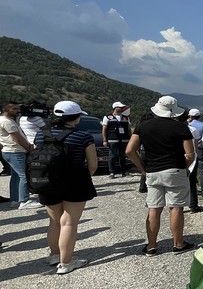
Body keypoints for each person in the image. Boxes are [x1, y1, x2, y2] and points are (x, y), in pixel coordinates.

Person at [125, 96, 195, 256]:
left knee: (154, 209)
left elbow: (129, 151)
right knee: (176, 207)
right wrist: (182, 168)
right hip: (175, 170)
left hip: (152, 171)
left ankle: (151, 246)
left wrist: (143, 169)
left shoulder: (143, 126)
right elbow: (190, 155)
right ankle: (178, 244)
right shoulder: (181, 128)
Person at [34, 101, 97, 274]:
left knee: (54, 221)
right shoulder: (83, 136)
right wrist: (85, 178)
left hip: (47, 183)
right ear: (76, 117)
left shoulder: (40, 134)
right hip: (75, 182)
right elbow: (92, 165)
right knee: (69, 222)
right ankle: (66, 263)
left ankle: (54, 255)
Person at [0, 102, 42, 209]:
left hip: (9, 151)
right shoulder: (7, 122)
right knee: (24, 175)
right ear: (5, 109)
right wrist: (29, 147)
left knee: (16, 176)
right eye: (14, 108)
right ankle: (24, 200)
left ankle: (15, 199)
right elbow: (17, 138)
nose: (17, 110)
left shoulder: (5, 120)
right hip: (14, 151)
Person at [176, 110, 202, 213]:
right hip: (191, 157)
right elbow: (195, 146)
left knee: (178, 182)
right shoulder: (193, 129)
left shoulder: (174, 129)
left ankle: (178, 206)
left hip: (177, 157)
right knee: (191, 182)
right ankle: (193, 205)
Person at [102, 101, 132, 178]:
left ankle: (124, 172)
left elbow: (129, 129)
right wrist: (105, 140)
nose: (122, 109)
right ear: (115, 108)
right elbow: (104, 129)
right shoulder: (107, 117)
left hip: (124, 139)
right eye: (120, 107)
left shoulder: (126, 117)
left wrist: (131, 138)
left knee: (122, 156)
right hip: (112, 140)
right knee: (112, 156)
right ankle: (112, 172)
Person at [187, 109, 203, 198]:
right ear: (199, 116)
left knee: (190, 169)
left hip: (189, 149)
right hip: (201, 149)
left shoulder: (188, 125)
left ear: (190, 116)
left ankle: (190, 188)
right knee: (202, 170)